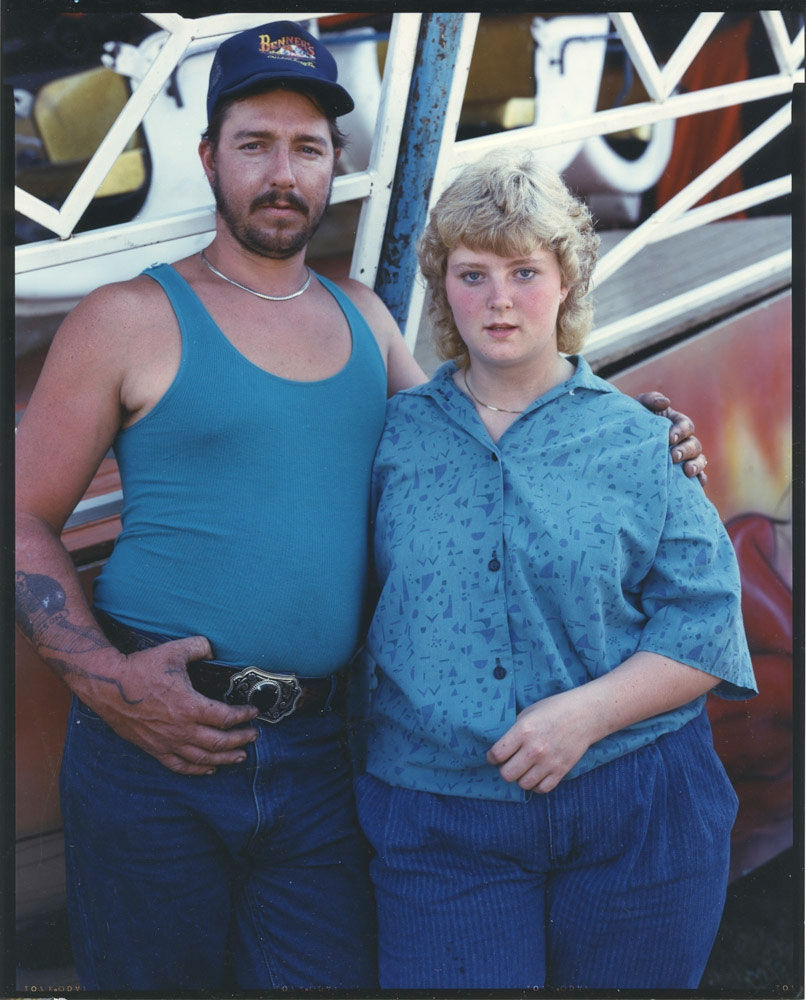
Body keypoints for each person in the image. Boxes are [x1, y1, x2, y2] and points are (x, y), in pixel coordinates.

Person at [15, 20, 705, 992]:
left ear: (335, 163)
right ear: (208, 157)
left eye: (307, 147)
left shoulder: (365, 318)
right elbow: (21, 515)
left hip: (317, 753)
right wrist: (107, 684)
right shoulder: (126, 316)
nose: (281, 173)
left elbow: (478, 451)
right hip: (155, 742)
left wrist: (634, 435)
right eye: (254, 144)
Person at [353, 149, 757, 990]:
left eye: (525, 272)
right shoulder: (390, 439)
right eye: (472, 274)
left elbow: (707, 624)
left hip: (635, 801)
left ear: (567, 281)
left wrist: (585, 716)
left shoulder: (640, 440)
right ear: (442, 287)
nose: (499, 299)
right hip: (441, 815)